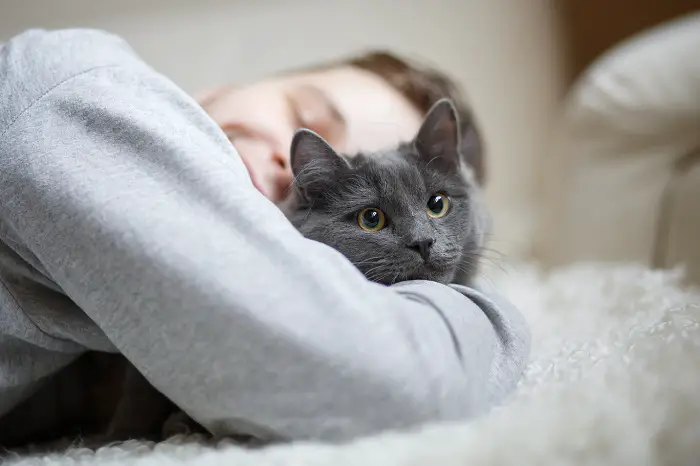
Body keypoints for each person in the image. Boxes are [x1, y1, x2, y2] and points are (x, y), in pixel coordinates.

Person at [0, 28, 529, 446]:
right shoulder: (78, 89)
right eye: (307, 121)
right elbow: (383, 378)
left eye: (433, 204)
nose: (295, 175)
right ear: (223, 88)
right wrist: (489, 312)